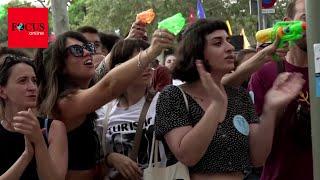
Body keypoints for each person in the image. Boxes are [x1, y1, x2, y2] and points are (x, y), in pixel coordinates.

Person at [155, 19, 305, 180]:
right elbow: (188, 156)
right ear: (196, 52)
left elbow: (258, 158)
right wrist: (217, 105)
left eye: (227, 40)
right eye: (218, 43)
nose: (231, 47)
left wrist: (270, 109)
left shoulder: (239, 96)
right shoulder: (173, 96)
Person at [36, 30, 174, 180]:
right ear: (61, 66)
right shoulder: (65, 103)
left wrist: (109, 159)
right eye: (76, 50)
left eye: (88, 47)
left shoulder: (84, 92)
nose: (87, 53)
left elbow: (103, 71)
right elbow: (108, 85)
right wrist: (151, 52)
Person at [248, 0, 312, 179]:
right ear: (287, 23)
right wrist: (271, 109)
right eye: (306, 17)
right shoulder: (265, 74)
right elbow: (257, 156)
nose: (314, 24)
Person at [0, 54, 68, 180]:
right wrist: (26, 156)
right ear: (2, 91)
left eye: (34, 80)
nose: (32, 87)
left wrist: (39, 141)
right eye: (22, 80)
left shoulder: (53, 128)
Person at [102, 38, 160, 180]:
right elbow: (94, 161)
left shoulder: (164, 101)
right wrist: (110, 158)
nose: (148, 68)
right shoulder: (102, 111)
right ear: (119, 68)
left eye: (151, 62)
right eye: (140, 62)